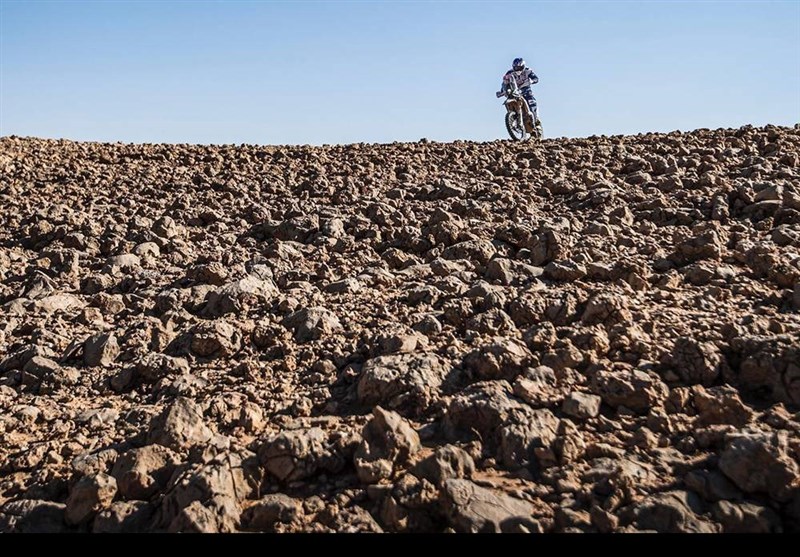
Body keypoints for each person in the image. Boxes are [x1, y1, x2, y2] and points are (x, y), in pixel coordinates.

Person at [498, 57, 541, 127]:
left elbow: (536, 78)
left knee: (532, 102)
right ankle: (513, 117)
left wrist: (532, 81)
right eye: (516, 67)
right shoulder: (509, 73)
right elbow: (504, 83)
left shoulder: (528, 71)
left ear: (523, 66)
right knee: (509, 101)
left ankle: (536, 119)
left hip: (526, 90)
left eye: (519, 67)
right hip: (514, 90)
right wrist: (502, 91)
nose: (518, 69)